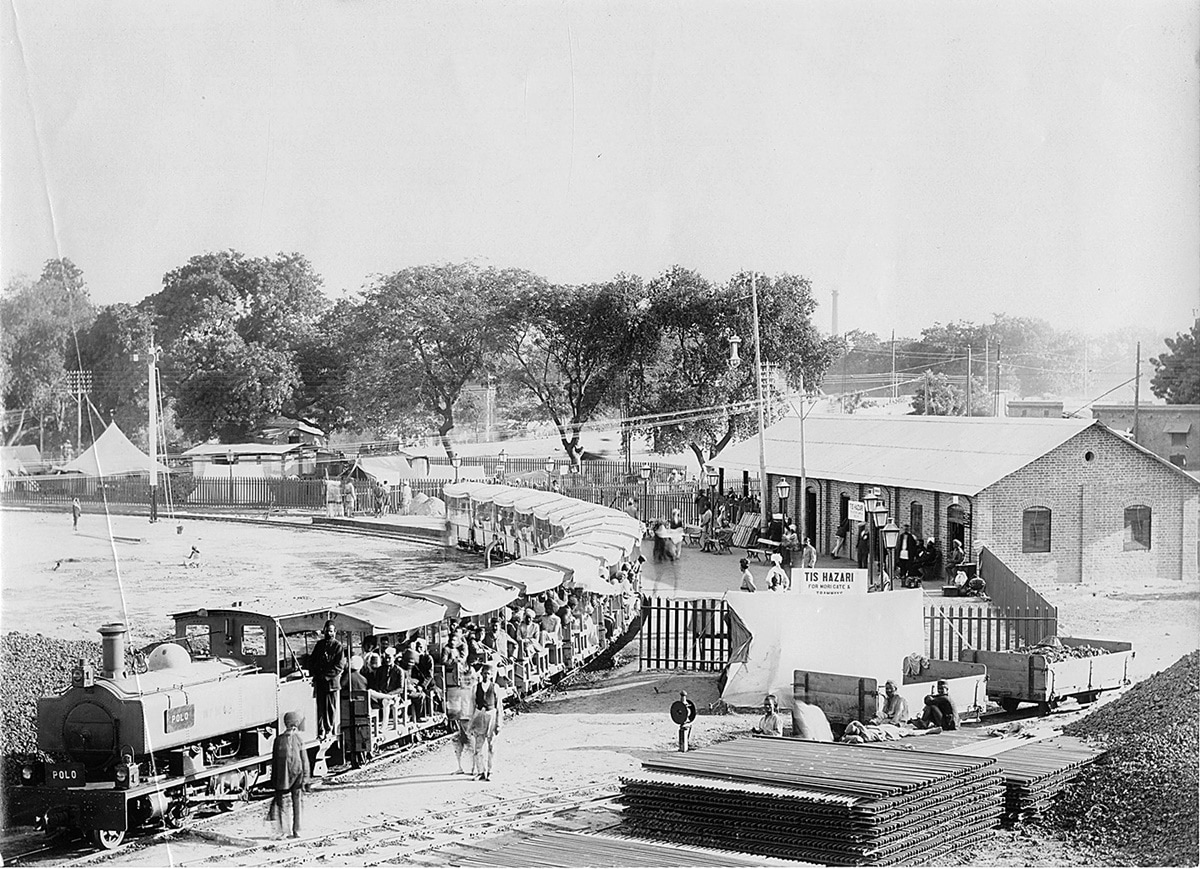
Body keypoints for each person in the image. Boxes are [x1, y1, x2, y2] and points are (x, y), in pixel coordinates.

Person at [270, 710, 307, 838]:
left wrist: (273, 779)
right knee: (297, 804)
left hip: (283, 777)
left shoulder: (278, 740)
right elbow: (304, 760)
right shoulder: (299, 740)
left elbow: (274, 761)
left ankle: (284, 831)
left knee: (283, 805)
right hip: (297, 775)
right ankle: (297, 830)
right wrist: (306, 778)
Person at [309, 621, 345, 742]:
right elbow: (313, 660)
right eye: (327, 630)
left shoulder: (338, 646)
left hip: (331, 683)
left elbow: (339, 666)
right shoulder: (319, 645)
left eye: (331, 631)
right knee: (320, 707)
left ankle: (329, 729)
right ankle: (320, 730)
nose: (329, 633)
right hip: (319, 682)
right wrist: (314, 673)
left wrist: (326, 677)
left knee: (330, 708)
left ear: (335, 632)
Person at [469, 661, 503, 781]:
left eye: (488, 674)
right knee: (478, 748)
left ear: (492, 675)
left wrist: (499, 723)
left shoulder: (495, 687)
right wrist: (471, 723)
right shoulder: (475, 688)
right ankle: (480, 772)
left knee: (491, 746)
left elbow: (499, 707)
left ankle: (490, 771)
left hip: (491, 715)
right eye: (484, 673)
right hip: (479, 716)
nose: (486, 676)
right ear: (481, 674)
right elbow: (472, 706)